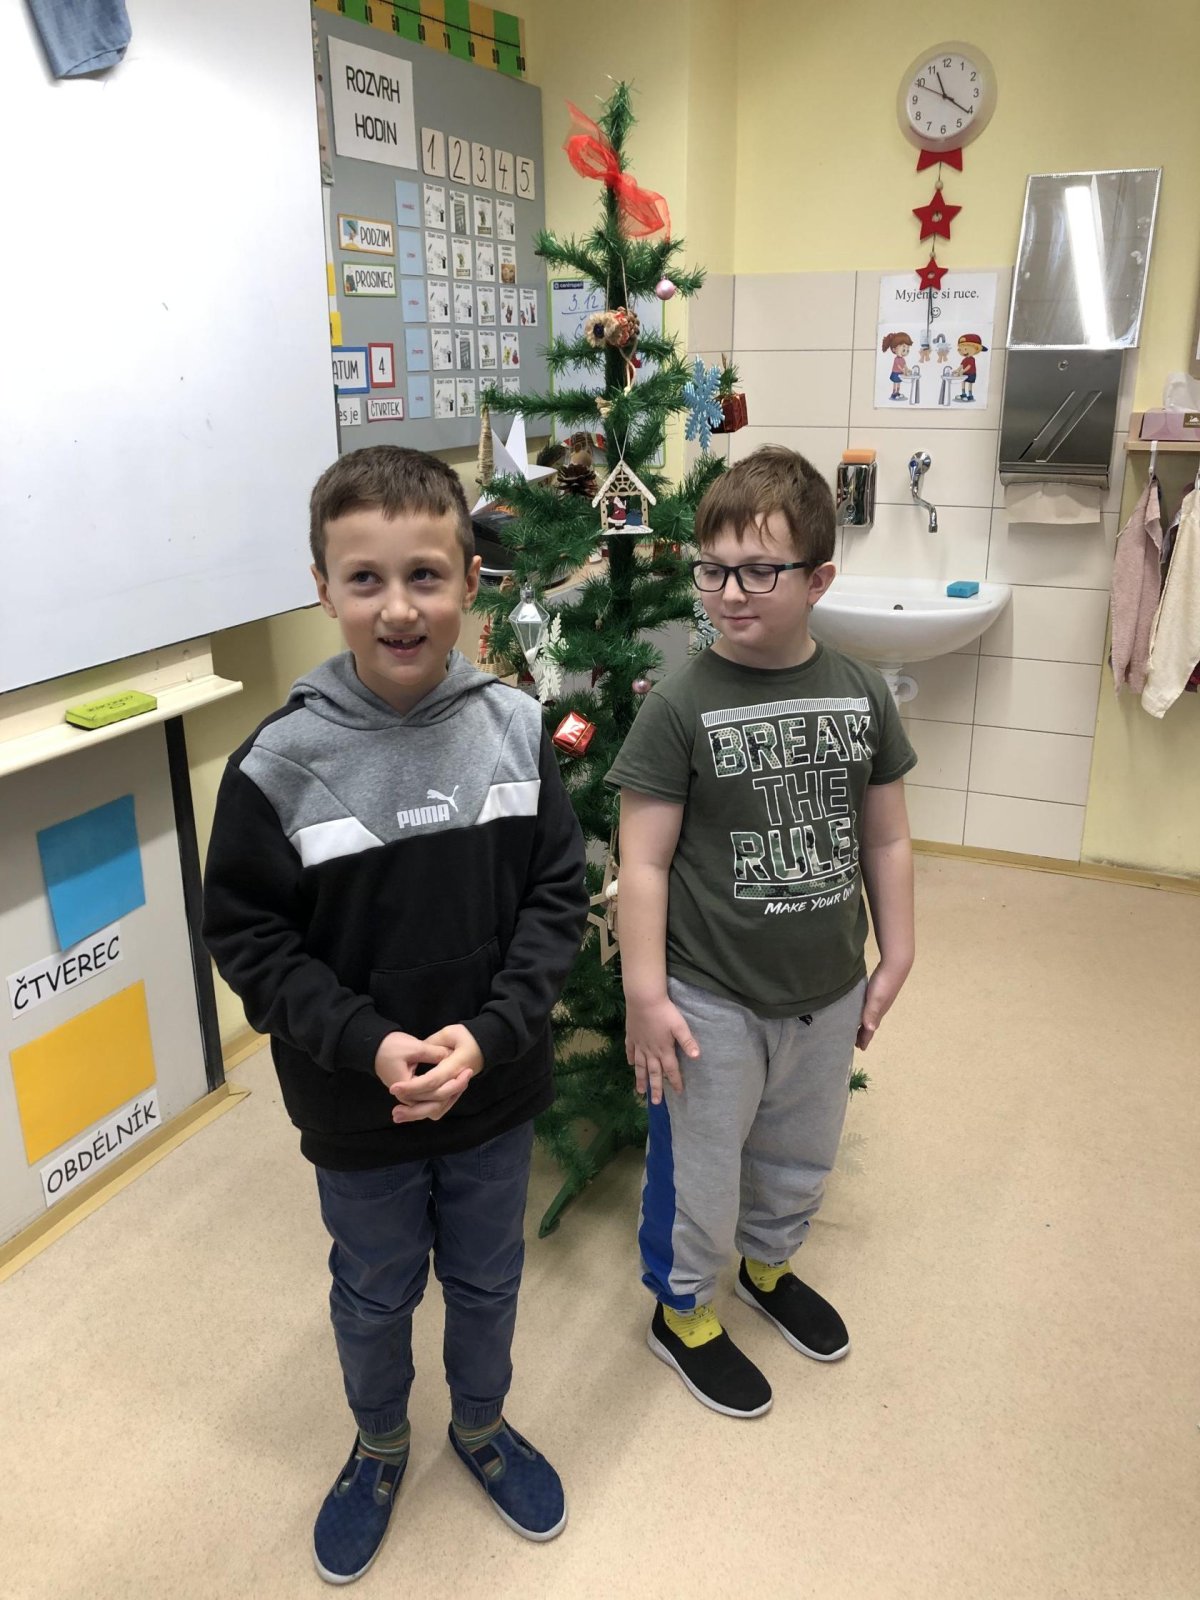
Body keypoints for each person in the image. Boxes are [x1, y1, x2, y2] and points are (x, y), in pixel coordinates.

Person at [203, 446, 587, 1581]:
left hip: (493, 1090)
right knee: (374, 1290)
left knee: (488, 1277)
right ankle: (379, 1441)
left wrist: (494, 1031)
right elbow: (251, 941)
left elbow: (556, 898)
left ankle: (481, 1422)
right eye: (364, 578)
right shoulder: (277, 763)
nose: (399, 606)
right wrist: (368, 1044)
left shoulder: (514, 729)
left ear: (471, 578)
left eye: (425, 574)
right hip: (356, 1108)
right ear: (322, 588)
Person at [607, 446, 916, 1419]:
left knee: (799, 1153)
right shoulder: (679, 706)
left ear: (818, 579)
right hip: (709, 998)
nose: (729, 593)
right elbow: (642, 864)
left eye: (758, 572)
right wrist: (645, 995)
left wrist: (899, 949)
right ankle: (684, 1313)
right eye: (713, 569)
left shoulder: (861, 692)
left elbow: (887, 836)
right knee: (701, 1171)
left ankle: (769, 1267)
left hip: (827, 987)